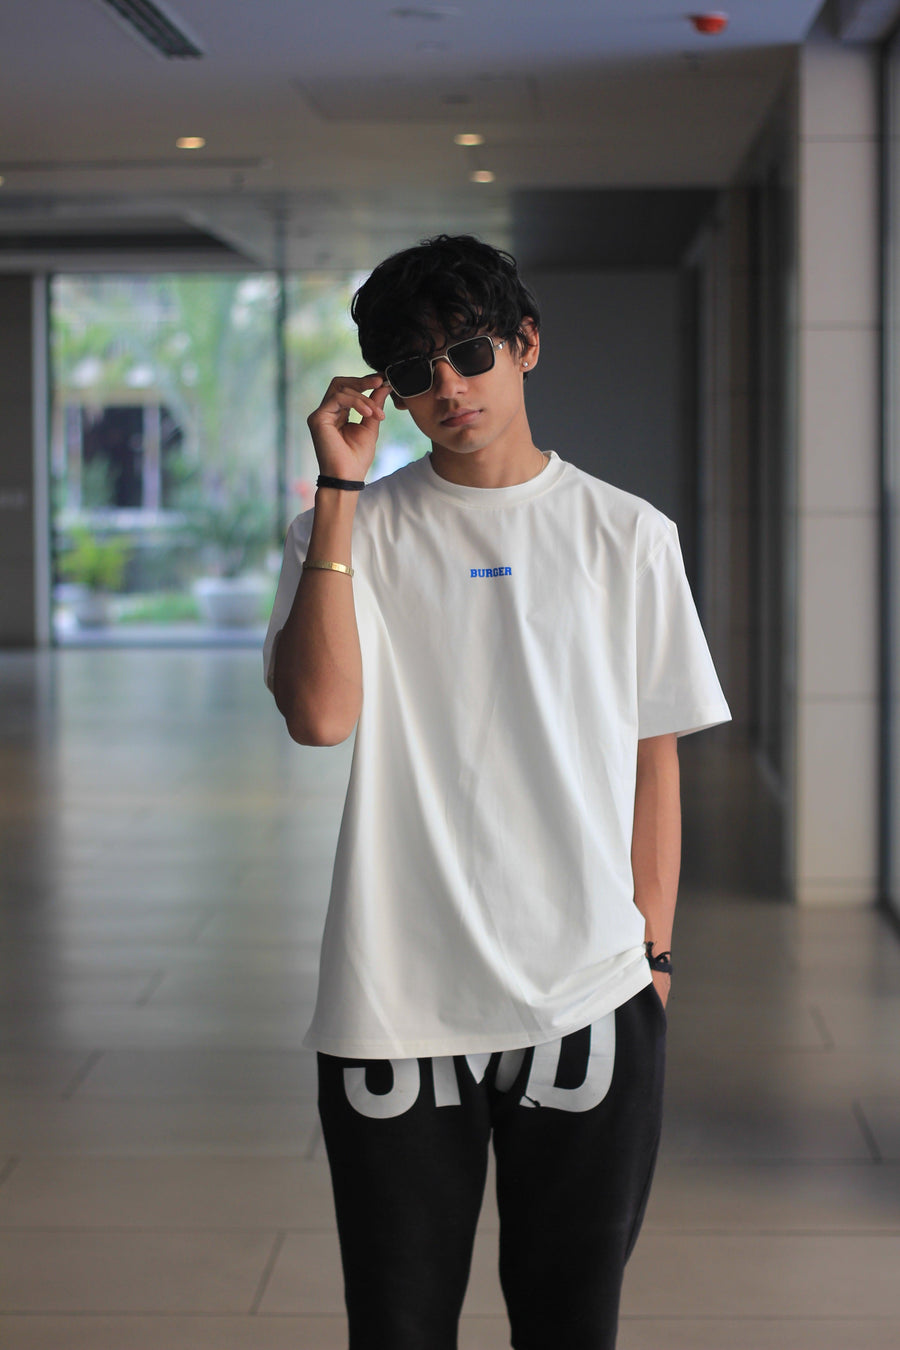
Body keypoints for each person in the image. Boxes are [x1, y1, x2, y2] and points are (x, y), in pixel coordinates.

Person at [264, 234, 731, 1349]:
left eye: (470, 352)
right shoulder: (345, 532)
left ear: (526, 344)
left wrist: (655, 959)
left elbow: (652, 758)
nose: (449, 387)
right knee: (398, 1324)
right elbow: (320, 718)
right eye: (414, 370)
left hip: (590, 996)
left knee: (571, 1323)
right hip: (393, 1002)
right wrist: (339, 488)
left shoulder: (626, 534)